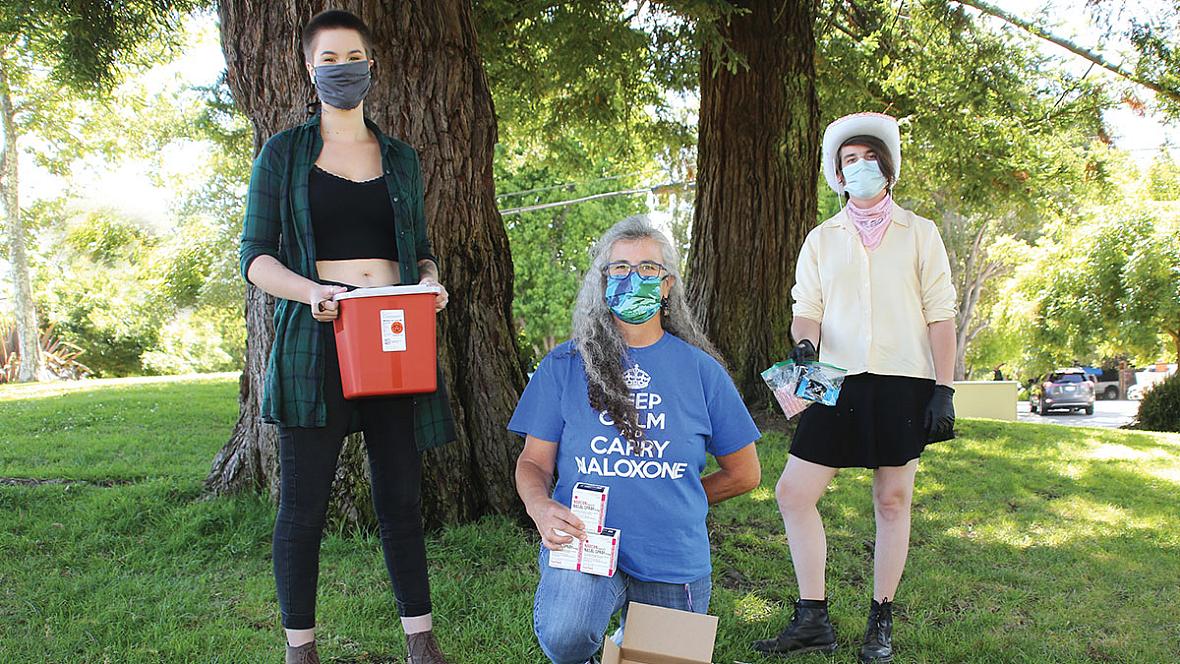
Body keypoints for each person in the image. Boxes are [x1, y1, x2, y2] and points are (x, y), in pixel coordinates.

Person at [237, 10, 455, 664]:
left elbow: (420, 250)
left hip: (394, 334)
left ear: (371, 65)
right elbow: (255, 256)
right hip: (318, 336)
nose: (343, 68)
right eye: (329, 59)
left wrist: (430, 283)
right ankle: (300, 651)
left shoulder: (401, 159)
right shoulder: (283, 154)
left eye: (353, 56)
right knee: (303, 508)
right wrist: (314, 294)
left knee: (400, 497)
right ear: (310, 69)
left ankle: (422, 643)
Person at [510, 216, 762, 664]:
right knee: (566, 635)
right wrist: (540, 506)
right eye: (620, 268)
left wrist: (676, 496)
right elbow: (533, 463)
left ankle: (628, 648)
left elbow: (745, 473)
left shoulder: (702, 372)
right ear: (602, 282)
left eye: (648, 269)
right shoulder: (565, 365)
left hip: (673, 550)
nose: (633, 278)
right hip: (585, 540)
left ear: (667, 287)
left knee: (660, 660)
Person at [753, 113, 958, 663]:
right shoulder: (822, 238)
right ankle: (812, 617)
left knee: (892, 500)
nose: (860, 166)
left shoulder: (921, 233)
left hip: (902, 381)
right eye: (849, 160)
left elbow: (940, 315)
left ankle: (880, 620)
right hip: (832, 378)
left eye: (870, 157)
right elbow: (807, 311)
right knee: (793, 493)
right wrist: (803, 345)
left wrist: (945, 387)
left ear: (887, 168)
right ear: (837, 176)